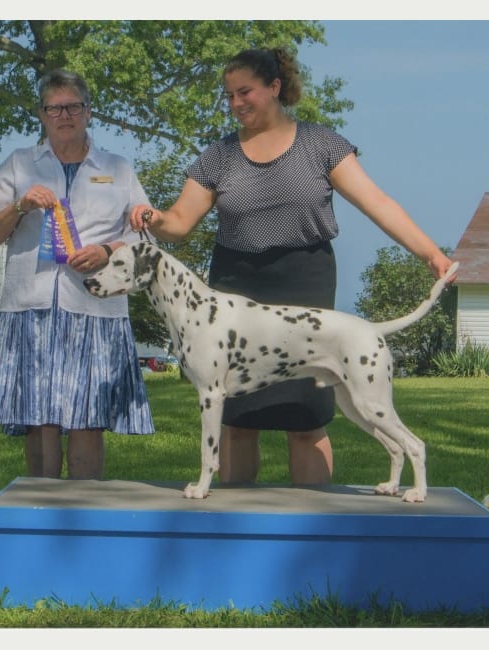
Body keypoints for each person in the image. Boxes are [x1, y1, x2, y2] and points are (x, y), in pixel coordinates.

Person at [130, 48, 454, 487]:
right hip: (236, 285)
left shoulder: (321, 144)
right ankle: (233, 522)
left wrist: (431, 254)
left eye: (245, 91)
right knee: (238, 421)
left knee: (306, 421)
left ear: (275, 87)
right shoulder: (218, 156)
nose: (236, 103)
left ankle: (315, 524)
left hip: (305, 281)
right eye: (228, 95)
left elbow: (378, 203)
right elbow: (179, 222)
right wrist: (154, 218)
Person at [0, 69, 154, 480]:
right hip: (31, 307)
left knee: (88, 416)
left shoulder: (119, 168)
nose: (64, 115)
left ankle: (84, 514)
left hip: (95, 308)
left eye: (73, 106)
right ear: (41, 115)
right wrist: (19, 207)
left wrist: (106, 251)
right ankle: (40, 508)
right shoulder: (19, 164)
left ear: (88, 112)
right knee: (38, 416)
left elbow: (143, 238)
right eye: (54, 108)